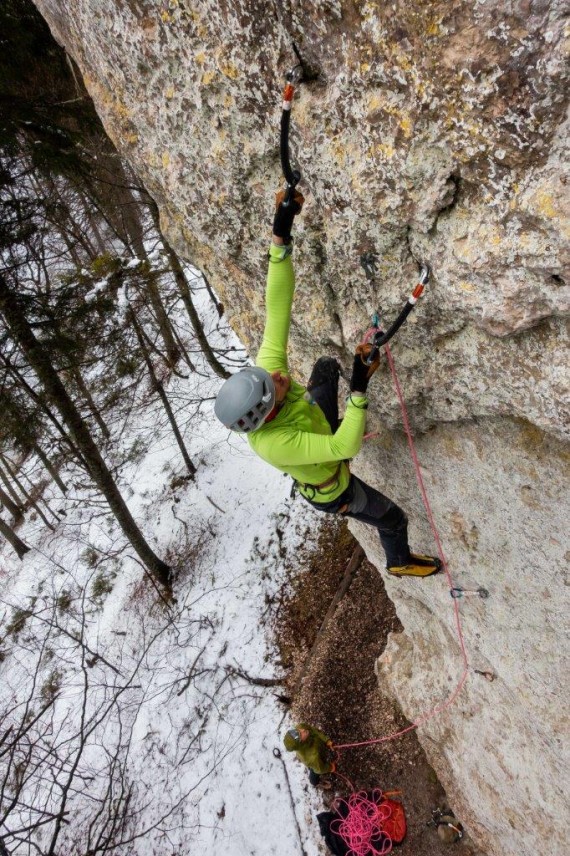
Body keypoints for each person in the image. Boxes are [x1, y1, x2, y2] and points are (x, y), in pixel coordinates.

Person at [214, 190, 441, 577]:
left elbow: (277, 306)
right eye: (274, 384)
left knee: (323, 367)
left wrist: (280, 237)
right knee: (394, 519)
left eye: (268, 375)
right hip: (333, 484)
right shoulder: (275, 443)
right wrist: (359, 389)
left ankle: (336, 412)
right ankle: (400, 562)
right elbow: (342, 447)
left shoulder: (266, 382)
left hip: (316, 428)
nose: (278, 374)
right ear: (267, 413)